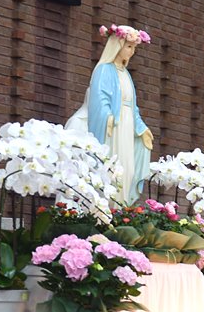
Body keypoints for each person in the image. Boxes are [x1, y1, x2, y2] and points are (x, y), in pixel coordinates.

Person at [66, 24, 154, 206]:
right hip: (113, 125)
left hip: (127, 124)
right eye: (128, 46)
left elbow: (133, 107)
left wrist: (141, 128)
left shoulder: (126, 74)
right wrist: (108, 117)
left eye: (134, 48)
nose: (131, 52)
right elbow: (99, 97)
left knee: (128, 168)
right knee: (114, 166)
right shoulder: (104, 69)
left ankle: (121, 206)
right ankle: (109, 206)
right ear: (117, 46)